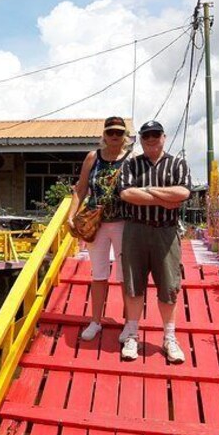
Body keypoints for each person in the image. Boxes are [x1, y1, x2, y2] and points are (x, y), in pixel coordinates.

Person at [118, 120, 191, 362]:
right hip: (135, 231)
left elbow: (183, 194)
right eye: (146, 135)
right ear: (140, 138)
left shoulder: (177, 163)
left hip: (166, 233)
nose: (151, 139)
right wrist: (163, 197)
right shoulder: (131, 164)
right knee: (133, 284)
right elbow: (127, 194)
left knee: (169, 286)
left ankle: (169, 337)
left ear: (163, 136)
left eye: (155, 135)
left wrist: (146, 191)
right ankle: (132, 334)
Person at [68, 116, 132, 341]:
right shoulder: (93, 157)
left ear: (125, 136)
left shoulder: (132, 158)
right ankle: (95, 320)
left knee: (126, 275)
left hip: (125, 222)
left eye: (119, 132)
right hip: (97, 223)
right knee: (99, 273)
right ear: (104, 134)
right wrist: (71, 215)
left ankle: (128, 323)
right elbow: (81, 188)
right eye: (111, 132)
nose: (115, 136)